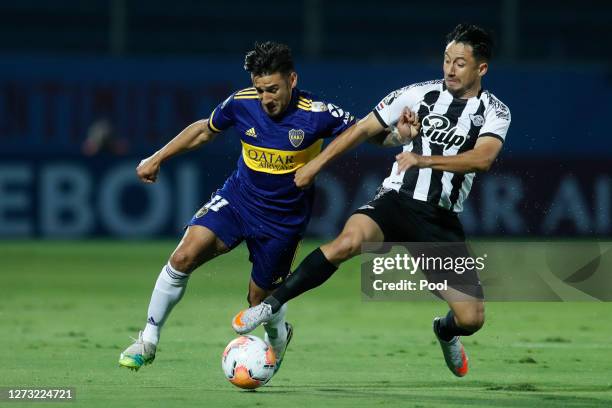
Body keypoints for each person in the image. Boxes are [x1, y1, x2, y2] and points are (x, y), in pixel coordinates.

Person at [232, 23, 511, 378]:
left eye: (459, 63)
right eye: (446, 60)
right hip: (395, 200)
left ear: (481, 69)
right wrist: (316, 164)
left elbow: (482, 159)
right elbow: (362, 128)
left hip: (438, 220)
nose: (449, 69)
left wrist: (422, 159)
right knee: (347, 242)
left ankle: (444, 330)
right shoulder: (416, 94)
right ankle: (269, 306)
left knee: (471, 320)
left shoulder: (495, 111)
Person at [118, 41, 356, 372]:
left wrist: (397, 135)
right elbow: (204, 130)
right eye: (260, 90)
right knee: (183, 256)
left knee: (259, 301)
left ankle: (279, 335)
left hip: (283, 222)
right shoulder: (242, 103)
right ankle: (148, 338)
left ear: (292, 79)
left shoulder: (318, 114)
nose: (266, 99)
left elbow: (365, 131)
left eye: (272, 89)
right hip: (238, 200)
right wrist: (158, 157)